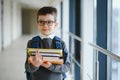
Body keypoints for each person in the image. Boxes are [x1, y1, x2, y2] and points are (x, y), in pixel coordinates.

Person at [25, 6, 70, 80]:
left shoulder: (61, 44)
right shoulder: (31, 43)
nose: (45, 25)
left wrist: (50, 66)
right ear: (37, 24)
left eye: (49, 22)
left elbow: (67, 67)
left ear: (55, 24)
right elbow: (27, 67)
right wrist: (34, 65)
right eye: (41, 22)